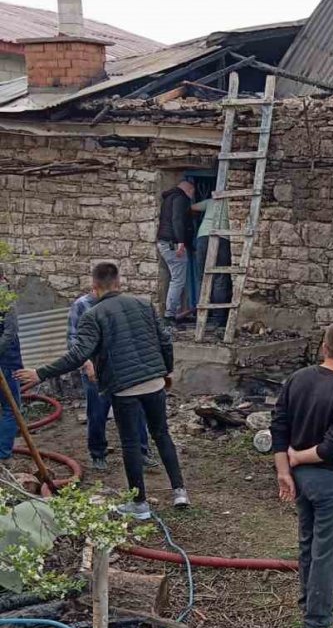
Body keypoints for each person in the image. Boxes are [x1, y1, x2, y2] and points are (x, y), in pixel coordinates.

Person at [17, 262, 189, 519]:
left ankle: (140, 504)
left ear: (94, 287)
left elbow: (78, 354)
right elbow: (165, 340)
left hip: (124, 389)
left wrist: (40, 373)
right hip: (154, 383)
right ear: (119, 282)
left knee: (130, 444)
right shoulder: (144, 304)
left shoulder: (94, 315)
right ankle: (180, 492)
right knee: (162, 434)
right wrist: (167, 371)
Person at [272, 321, 333, 628]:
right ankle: (318, 619)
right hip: (332, 480)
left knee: (308, 540)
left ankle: (308, 599)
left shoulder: (298, 378)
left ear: (324, 347)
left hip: (301, 479)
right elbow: (331, 447)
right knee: (329, 550)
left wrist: (284, 470)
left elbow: (278, 425)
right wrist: (297, 458)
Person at [68, 287, 156, 474]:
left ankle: (141, 451)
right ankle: (98, 454)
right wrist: (86, 362)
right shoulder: (82, 305)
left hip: (123, 369)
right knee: (97, 412)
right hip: (96, 370)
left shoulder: (123, 304)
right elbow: (74, 339)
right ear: (95, 287)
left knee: (136, 410)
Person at [157, 176, 196, 324]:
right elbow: (177, 219)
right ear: (189, 190)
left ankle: (178, 312)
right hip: (173, 244)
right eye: (192, 193)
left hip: (165, 243)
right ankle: (170, 315)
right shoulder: (181, 198)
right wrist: (181, 242)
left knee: (177, 278)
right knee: (178, 280)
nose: (192, 196)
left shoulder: (169, 198)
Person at [190, 189, 232, 326]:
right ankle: (219, 318)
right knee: (220, 278)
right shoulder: (231, 202)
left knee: (203, 277)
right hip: (222, 238)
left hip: (203, 237)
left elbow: (192, 207)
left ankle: (202, 315)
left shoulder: (210, 201)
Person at [0, 297, 21, 462]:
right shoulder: (5, 301)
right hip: (6, 363)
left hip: (6, 363)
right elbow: (10, 332)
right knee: (11, 408)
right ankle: (3, 455)